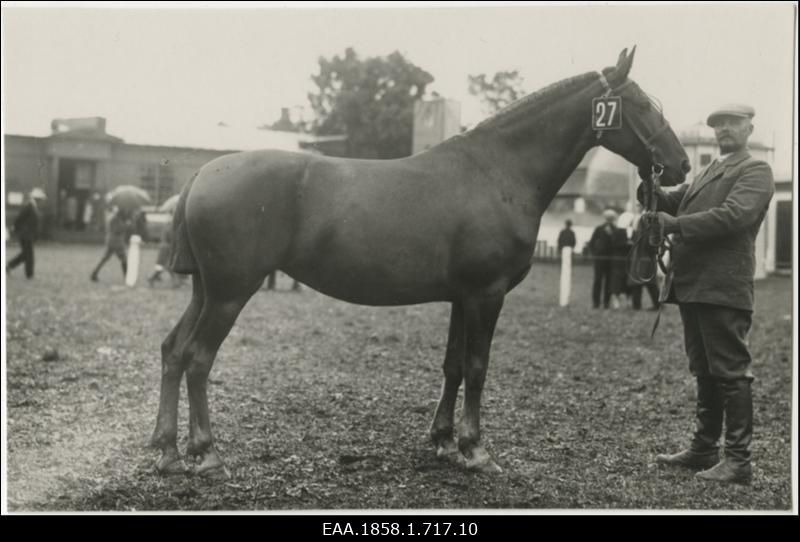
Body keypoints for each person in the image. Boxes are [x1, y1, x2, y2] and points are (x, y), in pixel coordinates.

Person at [648, 104, 774, 485]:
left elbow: (734, 216)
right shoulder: (709, 171)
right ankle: (704, 448)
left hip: (723, 285)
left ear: (749, 128)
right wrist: (648, 185)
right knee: (704, 369)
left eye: (733, 123)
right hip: (693, 283)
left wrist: (675, 224)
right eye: (718, 125)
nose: (724, 130)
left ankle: (738, 460)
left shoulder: (755, 170)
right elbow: (673, 200)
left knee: (731, 372)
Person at [589, 209, 622, 309]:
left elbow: (617, 244)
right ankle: (596, 303)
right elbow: (591, 243)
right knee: (598, 281)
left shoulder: (616, 230)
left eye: (610, 218)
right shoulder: (599, 229)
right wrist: (595, 254)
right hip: (600, 259)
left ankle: (605, 303)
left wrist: (611, 234)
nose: (609, 220)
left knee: (608, 281)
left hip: (610, 259)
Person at [90, 207, 131, 282]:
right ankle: (127, 276)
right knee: (124, 259)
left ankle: (94, 273)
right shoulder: (116, 220)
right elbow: (117, 230)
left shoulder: (113, 218)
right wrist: (126, 225)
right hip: (117, 242)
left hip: (111, 240)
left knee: (104, 258)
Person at [6, 190, 41, 279]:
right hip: (25, 235)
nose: (41, 201)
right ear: (36, 198)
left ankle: (8, 266)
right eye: (40, 199)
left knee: (25, 254)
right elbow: (20, 218)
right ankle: (29, 275)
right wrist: (15, 228)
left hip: (27, 234)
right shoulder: (29, 206)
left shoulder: (33, 207)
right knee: (29, 255)